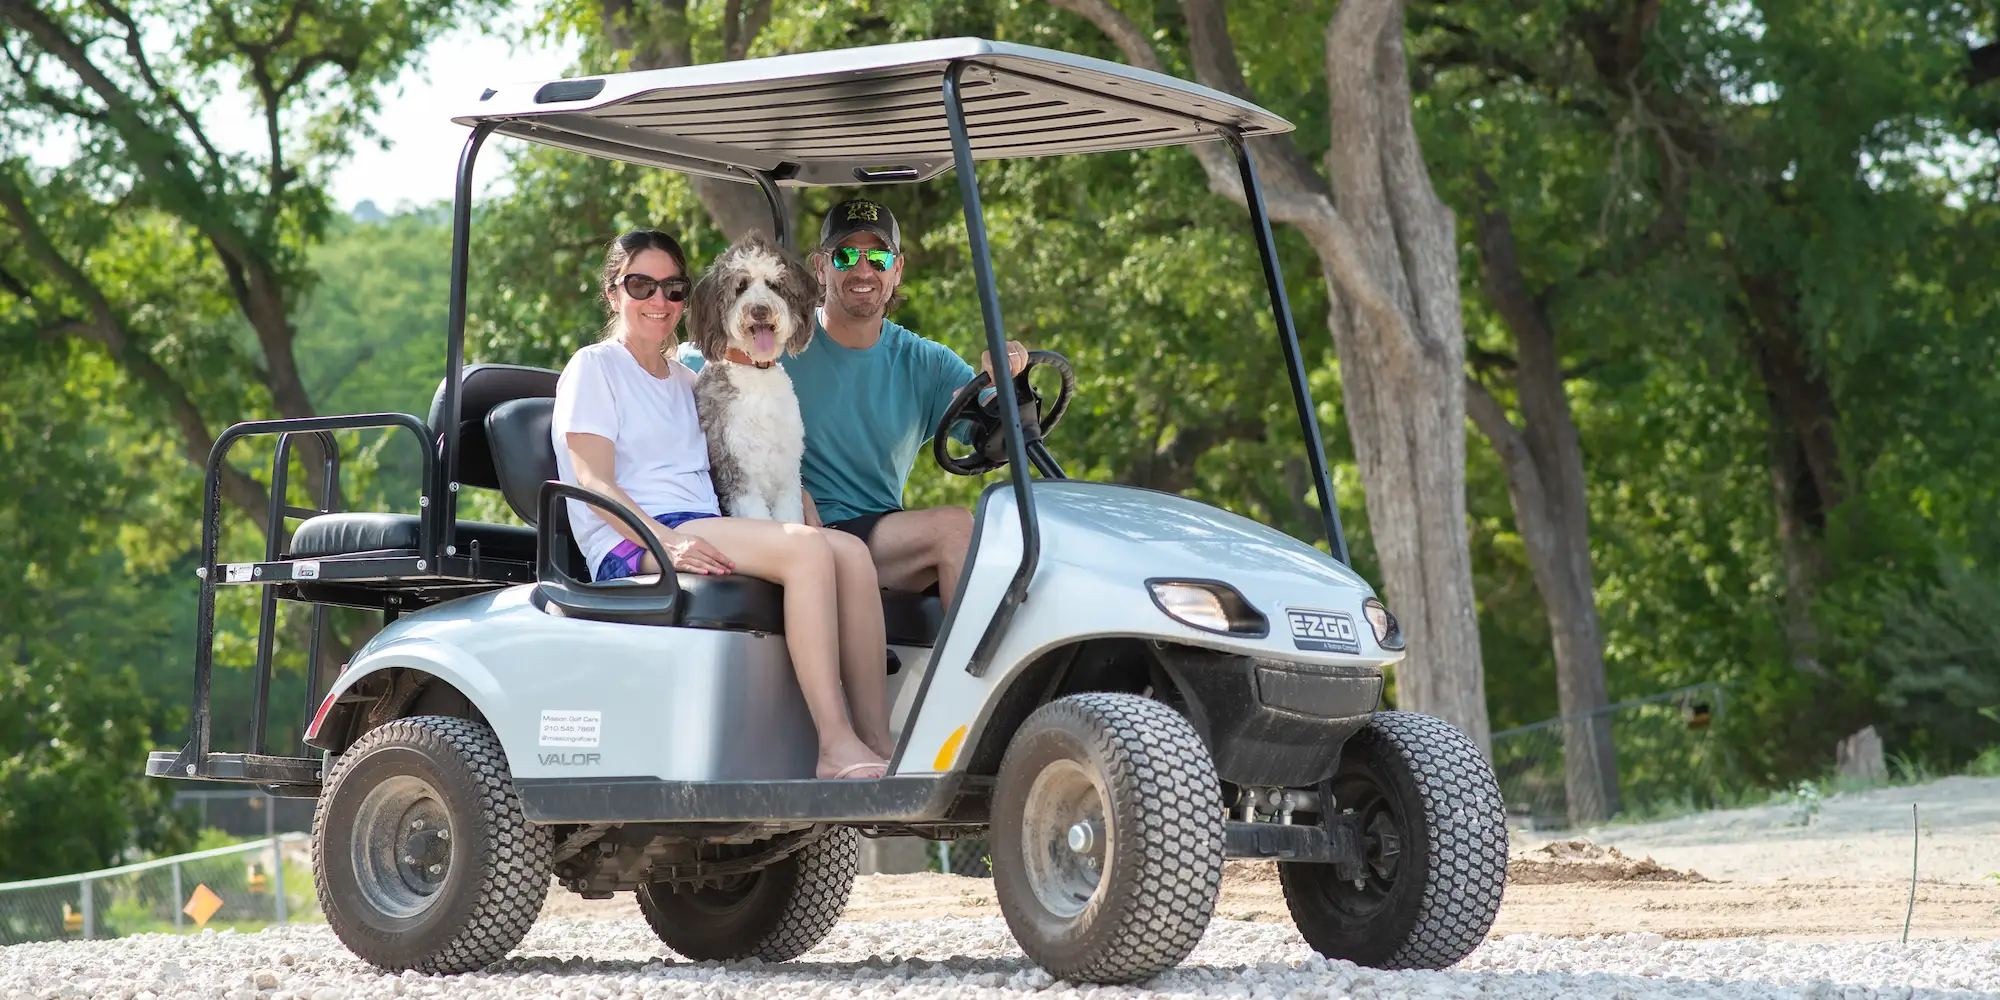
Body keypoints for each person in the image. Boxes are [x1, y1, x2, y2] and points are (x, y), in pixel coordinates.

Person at [553, 229, 892, 779]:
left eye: (673, 288)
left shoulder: (686, 380)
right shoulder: (594, 367)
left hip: (700, 525)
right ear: (613, 293)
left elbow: (745, 457)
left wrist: (799, 496)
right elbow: (593, 482)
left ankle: (876, 742)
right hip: (635, 540)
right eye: (641, 286)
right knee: (807, 553)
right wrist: (667, 542)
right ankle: (834, 744)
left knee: (850, 552)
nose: (659, 301)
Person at [680, 200, 1028, 607]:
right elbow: (677, 370)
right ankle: (973, 672)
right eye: (846, 256)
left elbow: (995, 435)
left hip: (880, 531)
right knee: (954, 528)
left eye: (878, 257)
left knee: (1014, 565)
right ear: (821, 267)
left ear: (897, 269)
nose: (863, 270)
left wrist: (1011, 385)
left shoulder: (926, 362)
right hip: (796, 524)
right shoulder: (773, 339)